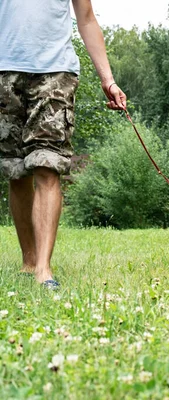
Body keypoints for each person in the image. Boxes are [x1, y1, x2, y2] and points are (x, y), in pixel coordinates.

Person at [0, 0, 126, 288]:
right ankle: (29, 260)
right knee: (15, 171)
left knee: (48, 165)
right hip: (4, 73)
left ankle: (44, 269)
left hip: (55, 72)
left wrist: (108, 79)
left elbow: (86, 18)